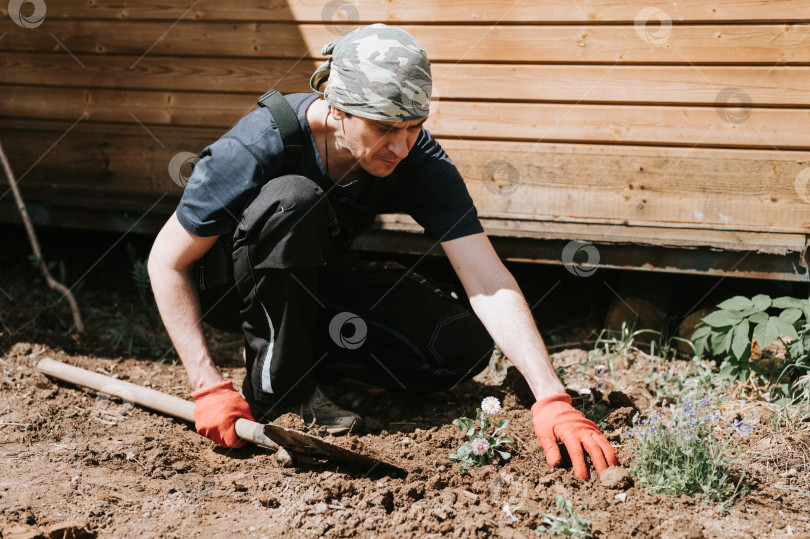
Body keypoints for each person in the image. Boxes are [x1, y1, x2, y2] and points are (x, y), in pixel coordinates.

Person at [148, 23, 617, 480]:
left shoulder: (416, 159)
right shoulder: (259, 144)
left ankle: (310, 360)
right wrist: (206, 384)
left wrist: (551, 397)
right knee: (294, 199)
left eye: (414, 127)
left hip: (316, 281)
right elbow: (166, 261)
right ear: (337, 109)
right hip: (237, 288)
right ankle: (282, 391)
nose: (401, 146)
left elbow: (486, 279)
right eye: (384, 127)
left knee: (460, 345)